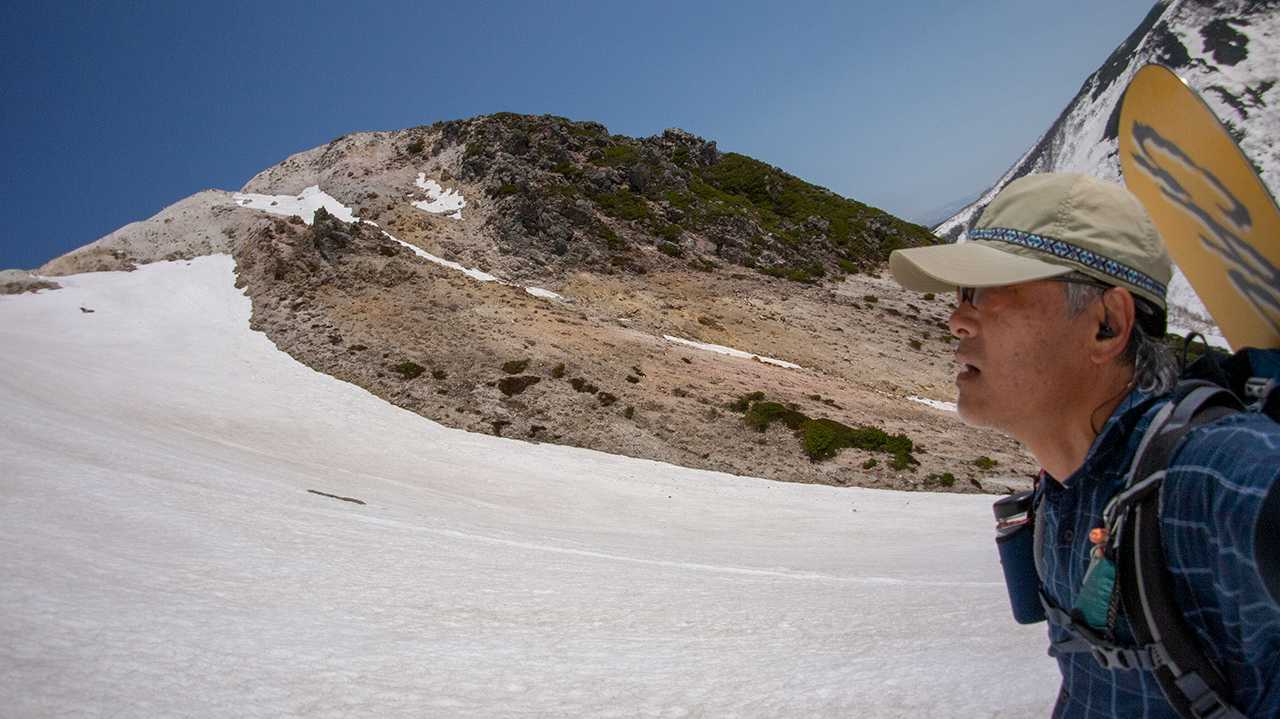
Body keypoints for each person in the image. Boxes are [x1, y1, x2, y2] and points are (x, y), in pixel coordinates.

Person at [887, 173, 1280, 718]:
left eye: (988, 292)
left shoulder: (1217, 478)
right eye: (961, 294)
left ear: (1106, 325)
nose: (956, 320)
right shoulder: (1062, 490)